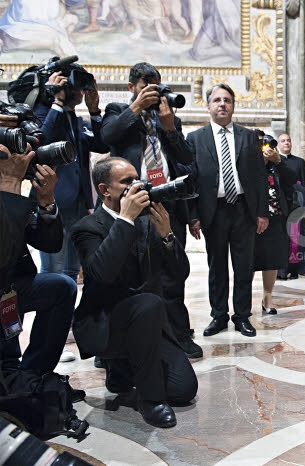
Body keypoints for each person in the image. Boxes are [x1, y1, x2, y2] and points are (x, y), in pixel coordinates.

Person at [71, 157, 198, 428]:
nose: (137, 185)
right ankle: (150, 400)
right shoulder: (87, 228)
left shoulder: (148, 222)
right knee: (149, 303)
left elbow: (178, 275)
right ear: (105, 190)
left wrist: (167, 237)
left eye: (137, 178)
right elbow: (102, 273)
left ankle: (122, 369)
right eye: (127, 182)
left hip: (149, 325)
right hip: (109, 323)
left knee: (183, 390)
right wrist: (126, 219)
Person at [101, 62, 201, 359]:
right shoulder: (117, 110)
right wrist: (135, 108)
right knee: (125, 272)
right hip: (130, 202)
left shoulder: (168, 118)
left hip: (165, 201)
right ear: (131, 86)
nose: (152, 93)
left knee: (173, 272)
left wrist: (170, 130)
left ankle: (179, 334)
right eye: (146, 87)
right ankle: (113, 343)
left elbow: (186, 160)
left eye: (156, 87)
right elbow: (108, 136)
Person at [185, 84, 268, 338]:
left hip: (243, 209)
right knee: (216, 267)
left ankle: (242, 316)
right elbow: (191, 179)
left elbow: (258, 177)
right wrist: (193, 216)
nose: (222, 104)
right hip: (213, 211)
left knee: (244, 267)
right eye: (217, 100)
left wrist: (262, 212)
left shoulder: (248, 136)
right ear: (208, 106)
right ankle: (218, 316)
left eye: (227, 100)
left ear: (233, 105)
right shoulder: (195, 139)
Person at [0, 142, 77, 381]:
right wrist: (11, 185)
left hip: (11, 286)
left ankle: (35, 375)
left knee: (62, 288)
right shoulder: (8, 186)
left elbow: (49, 244)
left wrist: (46, 201)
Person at [34, 65, 110, 282]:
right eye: (75, 85)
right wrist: (56, 102)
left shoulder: (76, 121)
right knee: (52, 271)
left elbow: (101, 144)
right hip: (52, 200)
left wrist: (94, 110)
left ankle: (65, 316)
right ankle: (50, 316)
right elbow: (41, 141)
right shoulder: (42, 112)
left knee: (71, 270)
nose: (80, 91)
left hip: (77, 202)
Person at [252, 131, 296, 314]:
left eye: (267, 144)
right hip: (252, 219)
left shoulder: (277, 165)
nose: (265, 148)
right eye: (260, 144)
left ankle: (267, 299)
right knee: (249, 260)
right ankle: (243, 301)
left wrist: (278, 160)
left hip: (276, 217)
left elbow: (292, 179)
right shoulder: (248, 164)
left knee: (271, 260)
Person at [276, 133, 305, 280]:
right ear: (278, 144)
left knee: (296, 238)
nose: (286, 143)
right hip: (280, 205)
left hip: (296, 205)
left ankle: (296, 269)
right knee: (281, 238)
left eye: (288, 140)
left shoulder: (299, 162)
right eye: (283, 141)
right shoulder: (274, 161)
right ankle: (281, 271)